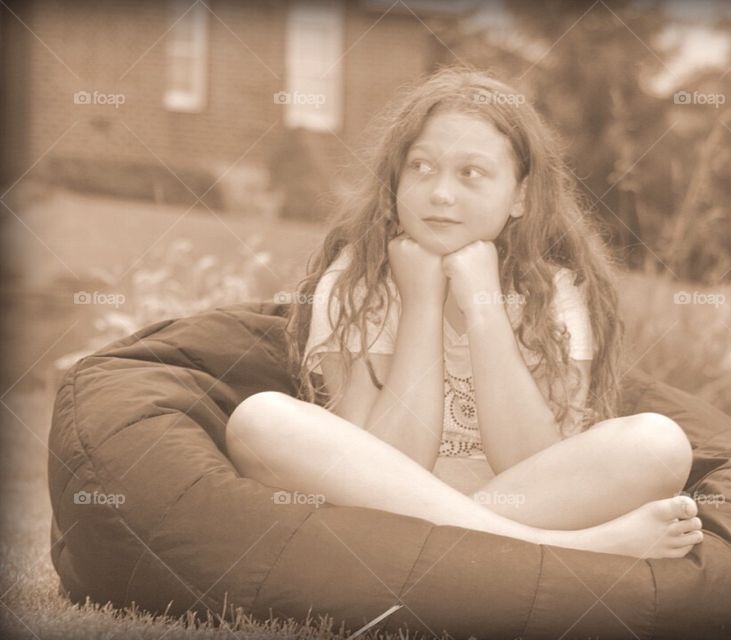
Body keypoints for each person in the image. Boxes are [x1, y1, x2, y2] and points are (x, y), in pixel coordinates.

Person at [225, 67, 703, 559]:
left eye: (470, 173)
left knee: (659, 442)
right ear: (395, 182)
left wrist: (484, 306)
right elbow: (384, 461)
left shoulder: (556, 292)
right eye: (421, 168)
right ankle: (560, 548)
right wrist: (422, 305)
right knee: (259, 420)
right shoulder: (355, 284)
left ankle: (451, 542)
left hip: (523, 499)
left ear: (519, 195)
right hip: (388, 493)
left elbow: (534, 460)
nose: (440, 194)